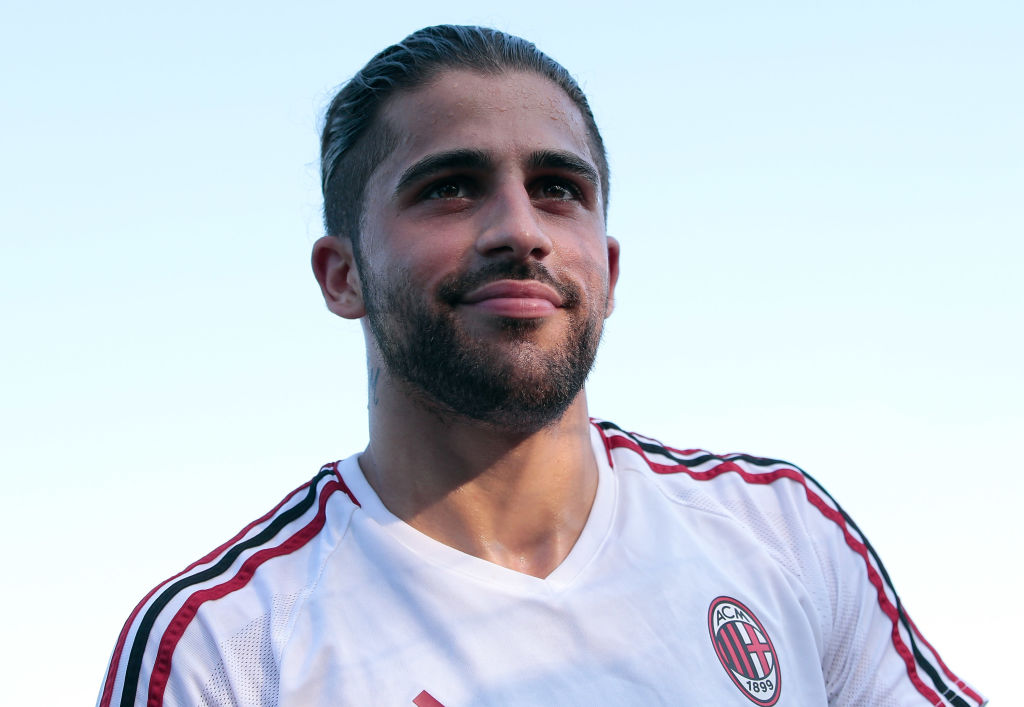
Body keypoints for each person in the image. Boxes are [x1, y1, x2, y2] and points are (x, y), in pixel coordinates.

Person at [97, 25, 984, 707]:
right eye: (450, 186)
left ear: (608, 268)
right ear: (342, 276)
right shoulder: (225, 644)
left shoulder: (782, 534)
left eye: (559, 188)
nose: (520, 228)